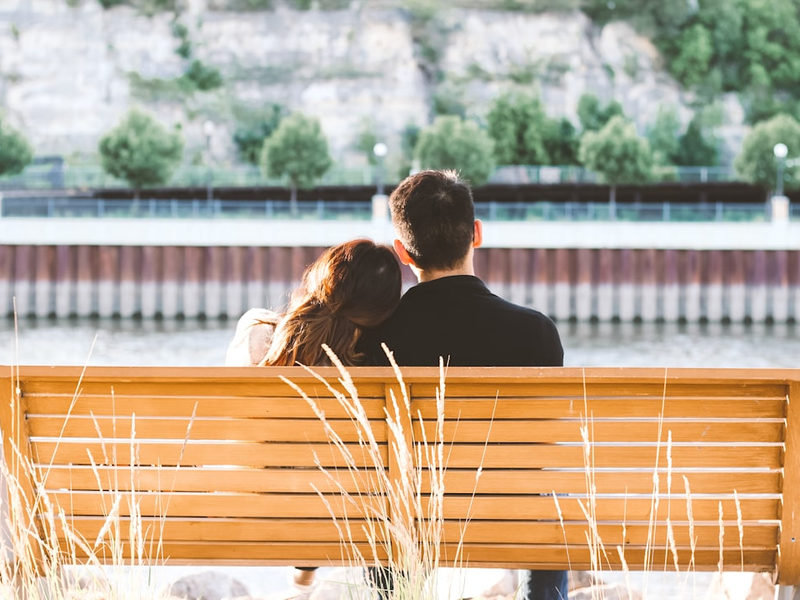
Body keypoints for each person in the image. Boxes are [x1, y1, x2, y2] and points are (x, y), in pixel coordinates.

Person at [359, 170, 567, 600]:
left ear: (402, 251)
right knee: (552, 496)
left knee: (382, 493)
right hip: (511, 512)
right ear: (476, 233)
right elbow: (546, 447)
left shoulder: (374, 338)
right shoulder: (536, 332)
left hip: (409, 514)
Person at [225, 238, 402, 595]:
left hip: (251, 507)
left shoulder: (256, 333)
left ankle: (301, 581)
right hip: (344, 516)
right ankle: (305, 579)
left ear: (319, 278)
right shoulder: (376, 365)